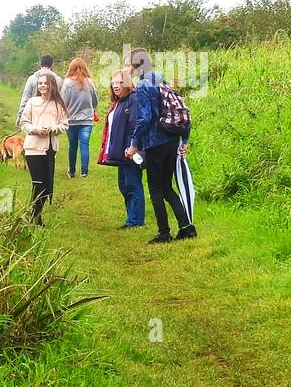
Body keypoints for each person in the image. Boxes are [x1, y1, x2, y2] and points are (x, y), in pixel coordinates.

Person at [124, 48, 196, 244]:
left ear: (136, 66)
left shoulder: (143, 86)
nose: (126, 69)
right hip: (172, 140)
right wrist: (185, 141)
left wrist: (133, 145)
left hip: (155, 143)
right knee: (167, 187)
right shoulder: (160, 80)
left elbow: (144, 119)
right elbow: (181, 111)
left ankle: (164, 233)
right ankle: (186, 228)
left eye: (127, 64)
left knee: (155, 189)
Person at [18, 72, 69, 225]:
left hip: (50, 149)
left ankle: (35, 216)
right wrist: (37, 129)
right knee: (38, 183)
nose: (42, 86)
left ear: (52, 85)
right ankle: (34, 217)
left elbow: (65, 125)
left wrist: (53, 128)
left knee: (47, 186)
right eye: (40, 83)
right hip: (33, 149)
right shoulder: (32, 102)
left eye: (46, 83)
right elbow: (23, 123)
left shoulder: (58, 104)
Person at [97, 69, 145, 228]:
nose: (116, 86)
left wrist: (133, 146)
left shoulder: (133, 99)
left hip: (130, 152)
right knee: (124, 186)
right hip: (120, 152)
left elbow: (136, 124)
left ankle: (136, 221)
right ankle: (132, 217)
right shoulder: (119, 102)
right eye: (113, 82)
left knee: (133, 185)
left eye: (119, 82)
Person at [61, 57, 99, 178]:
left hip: (71, 120)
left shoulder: (67, 83)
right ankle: (84, 172)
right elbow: (95, 101)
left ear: (70, 69)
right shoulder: (90, 83)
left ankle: (71, 171)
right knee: (84, 145)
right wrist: (92, 109)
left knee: (72, 145)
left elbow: (63, 101)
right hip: (87, 120)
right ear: (84, 68)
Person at [15, 55, 63, 126]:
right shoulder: (58, 80)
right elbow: (61, 99)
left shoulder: (32, 78)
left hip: (34, 113)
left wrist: (20, 116)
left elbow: (26, 97)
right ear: (52, 65)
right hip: (52, 114)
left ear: (40, 64)